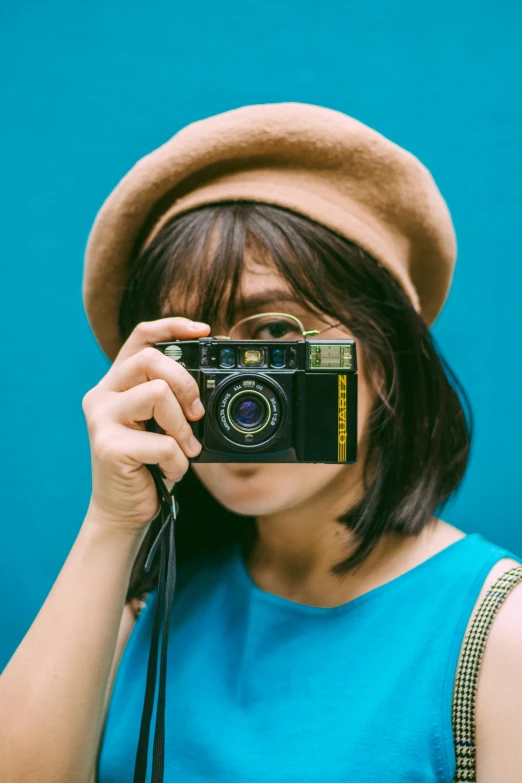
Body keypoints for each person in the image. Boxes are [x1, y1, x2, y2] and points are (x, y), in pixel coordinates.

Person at [1, 103, 521, 783]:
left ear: (384, 353)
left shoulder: (498, 634)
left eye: (276, 338)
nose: (239, 394)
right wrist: (112, 521)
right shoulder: (145, 606)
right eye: (197, 351)